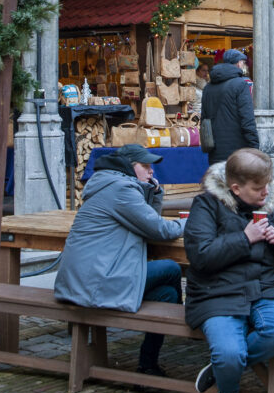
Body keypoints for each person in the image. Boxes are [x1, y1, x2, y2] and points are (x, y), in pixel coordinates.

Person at [184, 148, 274, 393]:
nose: (266, 192)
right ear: (236, 188)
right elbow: (200, 256)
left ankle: (219, 371)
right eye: (257, 188)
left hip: (268, 288)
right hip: (217, 292)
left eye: (267, 184)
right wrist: (244, 238)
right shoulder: (206, 205)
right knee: (229, 354)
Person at [54, 143, 184, 376]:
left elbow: (147, 222)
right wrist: (192, 222)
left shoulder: (110, 184)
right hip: (94, 282)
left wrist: (155, 194)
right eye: (145, 166)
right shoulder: (121, 190)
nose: (151, 171)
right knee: (171, 269)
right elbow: (160, 230)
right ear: (129, 166)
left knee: (168, 295)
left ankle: (148, 365)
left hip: (85, 278)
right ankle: (185, 325)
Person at [201, 49, 259, 164]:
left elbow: (204, 120)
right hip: (238, 153)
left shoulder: (208, 87)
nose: (244, 65)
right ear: (239, 64)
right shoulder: (241, 85)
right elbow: (247, 119)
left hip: (215, 151)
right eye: (243, 62)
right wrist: (254, 147)